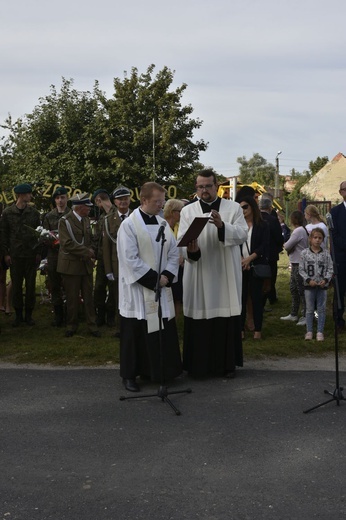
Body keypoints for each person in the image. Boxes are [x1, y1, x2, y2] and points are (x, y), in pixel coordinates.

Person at [178, 169, 248, 378]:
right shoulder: (188, 211)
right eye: (200, 186)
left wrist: (221, 226)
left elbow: (242, 234)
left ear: (216, 186)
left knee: (224, 318)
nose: (204, 190)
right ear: (196, 188)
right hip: (200, 270)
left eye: (208, 186)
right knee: (200, 317)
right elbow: (181, 240)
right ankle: (198, 367)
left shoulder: (233, 208)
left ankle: (226, 366)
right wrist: (191, 250)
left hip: (225, 272)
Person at [117, 182, 182, 392]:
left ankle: (159, 371)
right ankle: (130, 375)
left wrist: (167, 275)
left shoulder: (162, 223)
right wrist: (155, 279)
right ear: (144, 200)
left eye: (162, 201)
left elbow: (173, 252)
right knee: (135, 333)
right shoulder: (129, 225)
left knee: (159, 331)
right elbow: (129, 259)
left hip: (160, 287)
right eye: (157, 201)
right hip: (138, 290)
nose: (161, 205)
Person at [57, 193, 100, 338]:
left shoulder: (86, 219)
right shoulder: (65, 221)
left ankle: (92, 326)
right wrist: (87, 252)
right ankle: (71, 326)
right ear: (80, 207)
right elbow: (67, 244)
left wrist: (93, 249)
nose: (89, 209)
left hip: (85, 265)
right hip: (71, 266)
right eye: (87, 206)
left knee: (89, 297)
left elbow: (91, 238)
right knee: (72, 298)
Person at [1, 183, 41, 327]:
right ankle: (18, 315)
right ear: (21, 195)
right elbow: (4, 235)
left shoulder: (34, 213)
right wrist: (6, 254)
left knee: (30, 286)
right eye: (28, 194)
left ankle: (29, 315)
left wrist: (38, 253)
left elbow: (39, 234)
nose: (30, 196)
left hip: (30, 254)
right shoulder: (7, 213)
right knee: (16, 285)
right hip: (16, 255)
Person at [102, 185, 132, 337]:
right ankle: (122, 328)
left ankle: (135, 326)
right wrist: (108, 270)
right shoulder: (108, 220)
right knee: (119, 297)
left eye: (126, 198)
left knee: (134, 295)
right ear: (114, 202)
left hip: (134, 263)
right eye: (120, 199)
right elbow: (106, 247)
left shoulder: (136, 216)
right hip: (117, 265)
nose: (123, 202)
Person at [239, 197, 270, 340]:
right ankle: (241, 329)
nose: (243, 210)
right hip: (240, 267)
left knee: (257, 299)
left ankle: (258, 329)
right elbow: (234, 244)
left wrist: (250, 258)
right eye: (240, 208)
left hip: (255, 265)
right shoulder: (238, 225)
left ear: (252, 207)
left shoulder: (262, 225)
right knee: (241, 298)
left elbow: (264, 246)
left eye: (245, 207)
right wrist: (240, 259)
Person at [299, 227, 333, 341]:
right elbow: (301, 269)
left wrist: (326, 279)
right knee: (309, 309)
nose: (317, 240)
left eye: (320, 238)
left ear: (323, 240)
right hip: (309, 286)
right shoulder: (304, 253)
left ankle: (320, 331)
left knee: (321, 309)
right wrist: (309, 280)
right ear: (310, 239)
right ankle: (309, 331)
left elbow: (330, 268)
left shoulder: (326, 254)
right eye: (315, 237)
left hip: (322, 286)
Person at [42, 186, 70, 326]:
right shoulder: (49, 216)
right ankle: (58, 316)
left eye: (63, 197)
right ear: (55, 200)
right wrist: (51, 241)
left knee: (69, 285)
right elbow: (44, 236)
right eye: (58, 198)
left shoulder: (71, 214)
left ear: (67, 198)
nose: (60, 200)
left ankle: (70, 314)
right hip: (53, 255)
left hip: (69, 255)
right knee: (55, 285)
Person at [92, 189, 116, 327]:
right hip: (102, 258)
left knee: (113, 289)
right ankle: (100, 315)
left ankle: (111, 316)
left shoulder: (116, 214)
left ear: (98, 201)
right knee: (99, 287)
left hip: (114, 259)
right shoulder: (102, 217)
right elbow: (97, 238)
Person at [280, 210, 309, 325]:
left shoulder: (298, 231)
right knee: (294, 288)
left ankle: (306, 315)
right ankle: (294, 313)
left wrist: (285, 245)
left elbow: (287, 246)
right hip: (295, 262)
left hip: (298, 263)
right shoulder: (302, 230)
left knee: (301, 289)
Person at [259, 197, 284, 307]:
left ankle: (263, 297)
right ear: (270, 207)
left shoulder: (255, 219)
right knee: (271, 276)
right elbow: (279, 237)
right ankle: (270, 297)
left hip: (257, 253)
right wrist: (278, 248)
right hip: (271, 253)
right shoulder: (273, 220)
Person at [163, 198, 185, 317]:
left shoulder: (180, 227)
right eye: (180, 210)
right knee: (168, 295)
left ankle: (175, 320)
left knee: (177, 296)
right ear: (172, 212)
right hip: (167, 268)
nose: (183, 213)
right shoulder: (162, 226)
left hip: (180, 267)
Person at [330, 180, 346, 331]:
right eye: (345, 189)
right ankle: (338, 319)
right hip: (341, 257)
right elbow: (333, 235)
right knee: (340, 290)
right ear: (341, 192)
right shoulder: (335, 212)